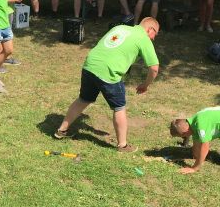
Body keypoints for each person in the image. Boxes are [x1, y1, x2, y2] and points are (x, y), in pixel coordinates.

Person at [54, 18, 160, 151]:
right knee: (119, 107)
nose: (154, 38)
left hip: (90, 65)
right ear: (150, 29)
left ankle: (61, 130)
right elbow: (154, 68)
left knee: (83, 99)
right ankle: (123, 145)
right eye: (155, 34)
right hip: (109, 72)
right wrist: (145, 85)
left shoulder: (119, 27)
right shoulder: (143, 38)